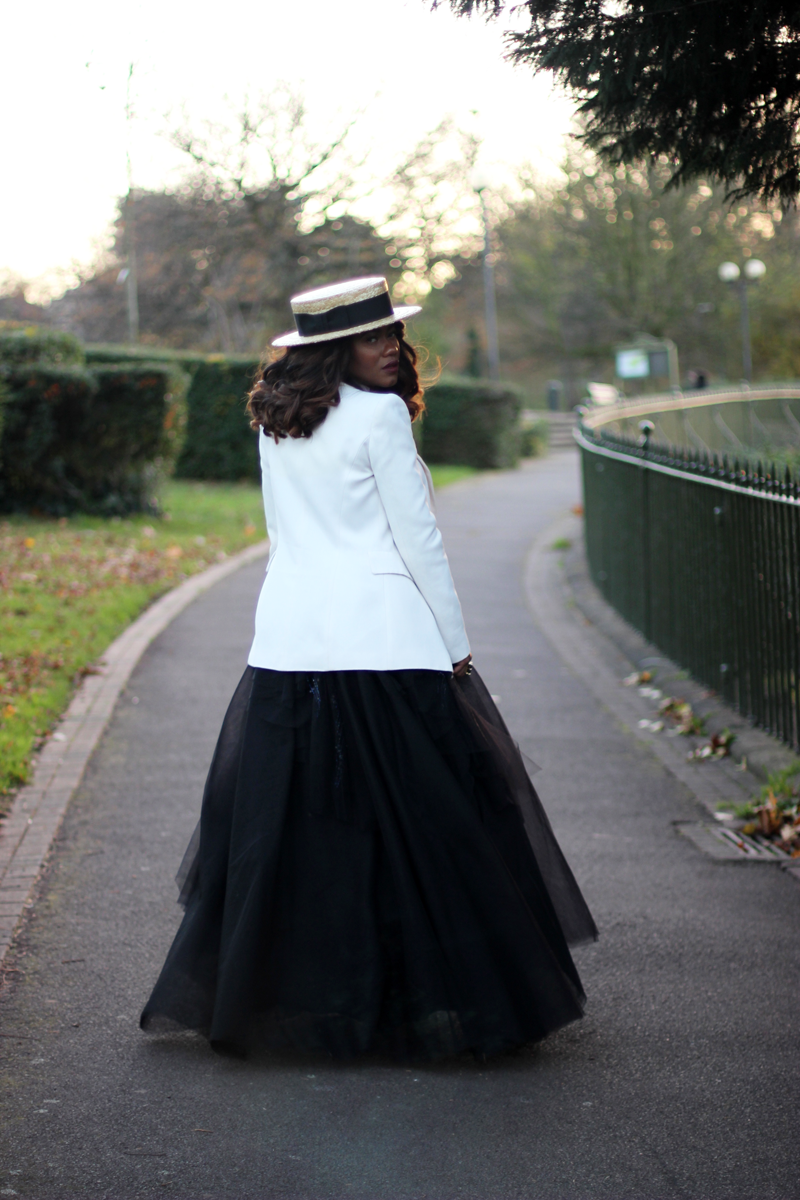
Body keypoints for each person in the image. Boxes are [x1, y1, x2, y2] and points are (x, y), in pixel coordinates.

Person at [140, 276, 597, 1061]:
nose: (391, 347)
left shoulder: (276, 421)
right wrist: (454, 643)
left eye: (392, 334)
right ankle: (429, 1003)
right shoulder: (380, 416)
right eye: (372, 337)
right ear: (333, 350)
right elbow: (418, 539)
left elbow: (282, 537)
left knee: (302, 832)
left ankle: (313, 1002)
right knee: (426, 829)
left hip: (291, 644)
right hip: (387, 642)